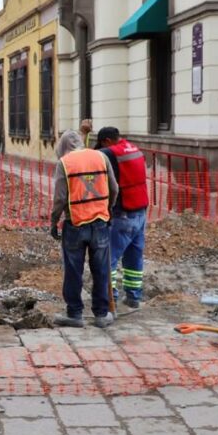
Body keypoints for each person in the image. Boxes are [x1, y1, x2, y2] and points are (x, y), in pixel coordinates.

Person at [49, 130, 119, 328]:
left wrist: (54, 221)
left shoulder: (64, 163)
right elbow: (114, 188)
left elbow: (60, 198)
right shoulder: (101, 156)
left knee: (73, 271)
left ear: (62, 146)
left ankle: (75, 314)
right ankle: (101, 314)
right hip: (100, 222)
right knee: (101, 270)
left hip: (75, 224)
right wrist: (107, 209)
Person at [97, 127, 150, 309]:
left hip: (123, 214)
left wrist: (83, 135)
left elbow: (87, 158)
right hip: (141, 212)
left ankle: (109, 301)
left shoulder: (110, 153)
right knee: (134, 256)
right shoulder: (132, 148)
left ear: (107, 141)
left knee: (108, 258)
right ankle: (134, 297)